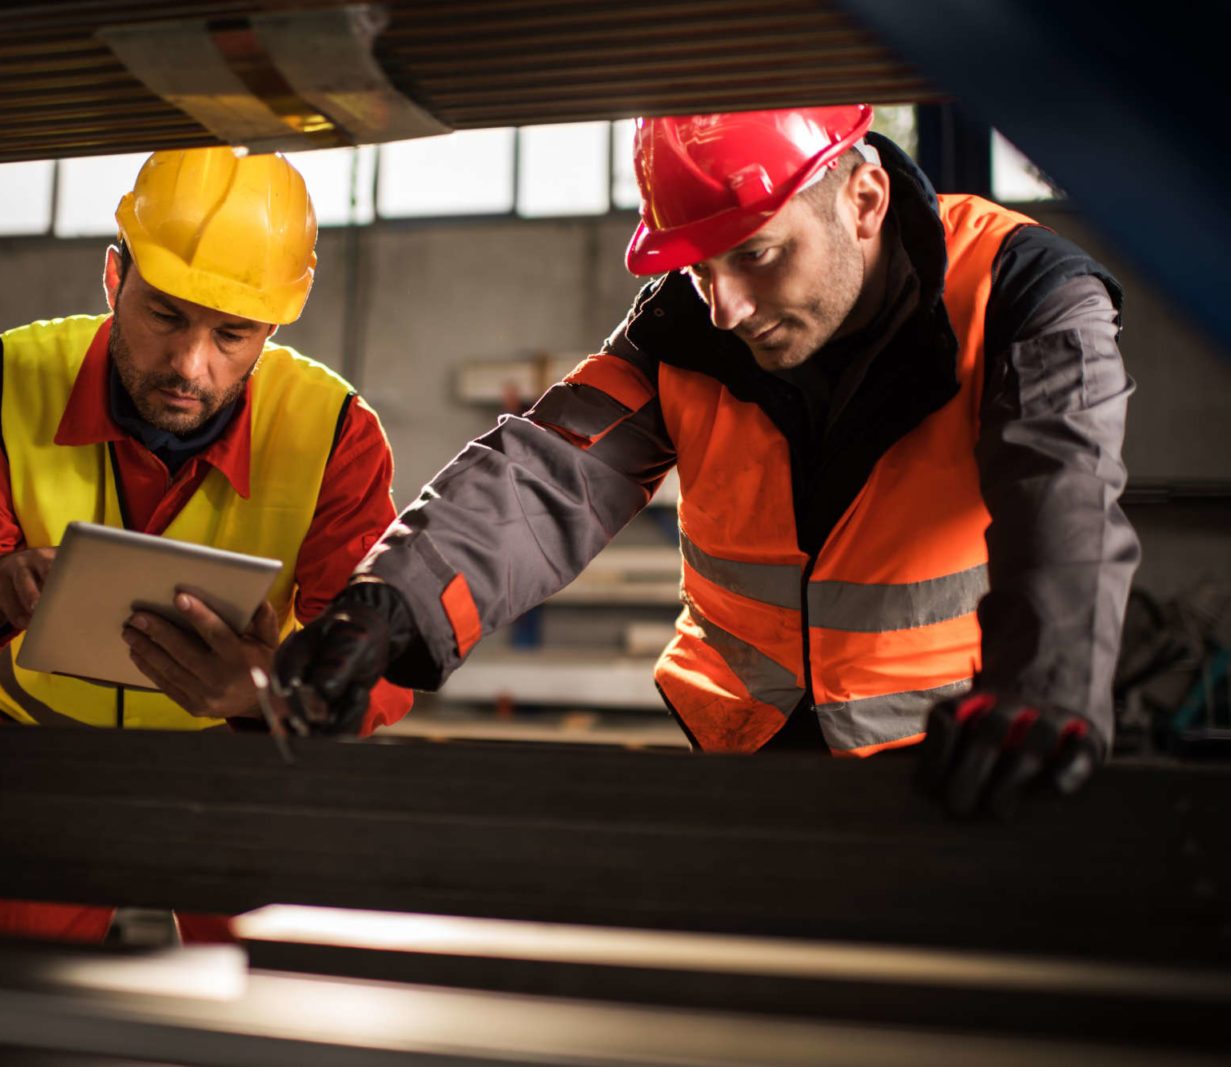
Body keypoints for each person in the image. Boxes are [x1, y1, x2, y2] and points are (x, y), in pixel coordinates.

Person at [276, 105, 1136, 818]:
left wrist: (1046, 690)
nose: (722, 308)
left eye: (755, 253)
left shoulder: (1024, 292)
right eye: (696, 268)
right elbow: (543, 471)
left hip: (951, 766)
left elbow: (1064, 499)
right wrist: (386, 605)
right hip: (740, 758)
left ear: (865, 198)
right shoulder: (682, 324)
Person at [0, 146, 411, 941]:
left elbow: (381, 664)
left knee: (266, 1018)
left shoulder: (334, 432)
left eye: (232, 333)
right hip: (31, 754)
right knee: (0, 1021)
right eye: (165, 316)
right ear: (114, 277)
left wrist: (273, 694)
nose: (190, 364)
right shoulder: (3, 380)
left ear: (273, 325)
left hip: (242, 763)